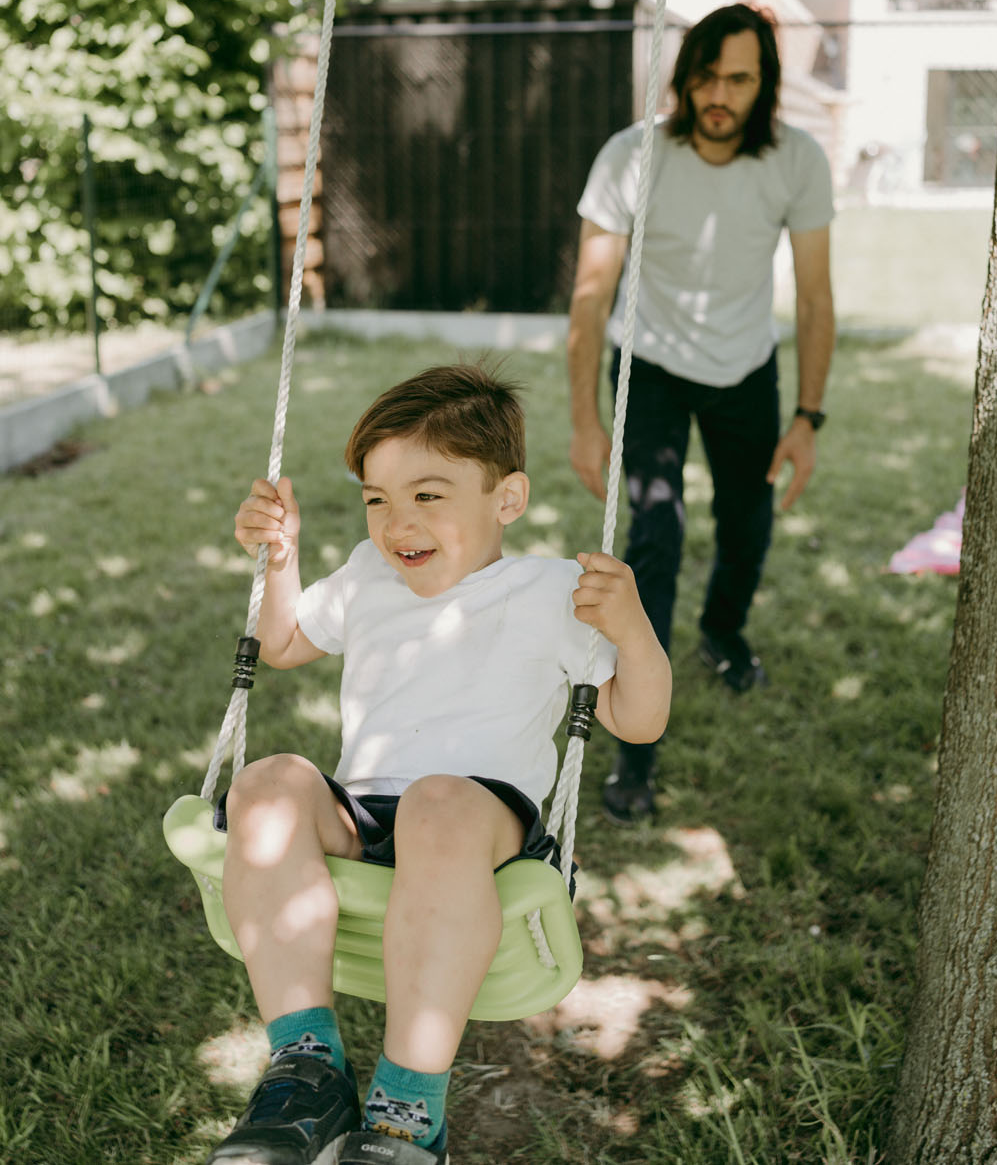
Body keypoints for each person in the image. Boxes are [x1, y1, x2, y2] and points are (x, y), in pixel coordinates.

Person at [207, 363, 671, 1165]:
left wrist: (632, 630)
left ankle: (406, 1107)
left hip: (476, 818)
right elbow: (283, 643)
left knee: (436, 804)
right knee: (269, 782)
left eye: (428, 494)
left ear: (507, 500)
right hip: (366, 808)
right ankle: (306, 1070)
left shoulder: (550, 590)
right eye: (377, 498)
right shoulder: (368, 573)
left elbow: (639, 715)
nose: (397, 523)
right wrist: (280, 557)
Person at [567, 2, 834, 827]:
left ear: (766, 83)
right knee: (657, 535)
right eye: (706, 75)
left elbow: (819, 298)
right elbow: (590, 293)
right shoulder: (632, 153)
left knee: (748, 522)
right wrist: (584, 416)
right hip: (649, 364)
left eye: (740, 78)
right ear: (684, 77)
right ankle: (634, 750)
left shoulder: (797, 160)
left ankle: (722, 633)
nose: (720, 94)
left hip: (746, 368)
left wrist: (809, 417)